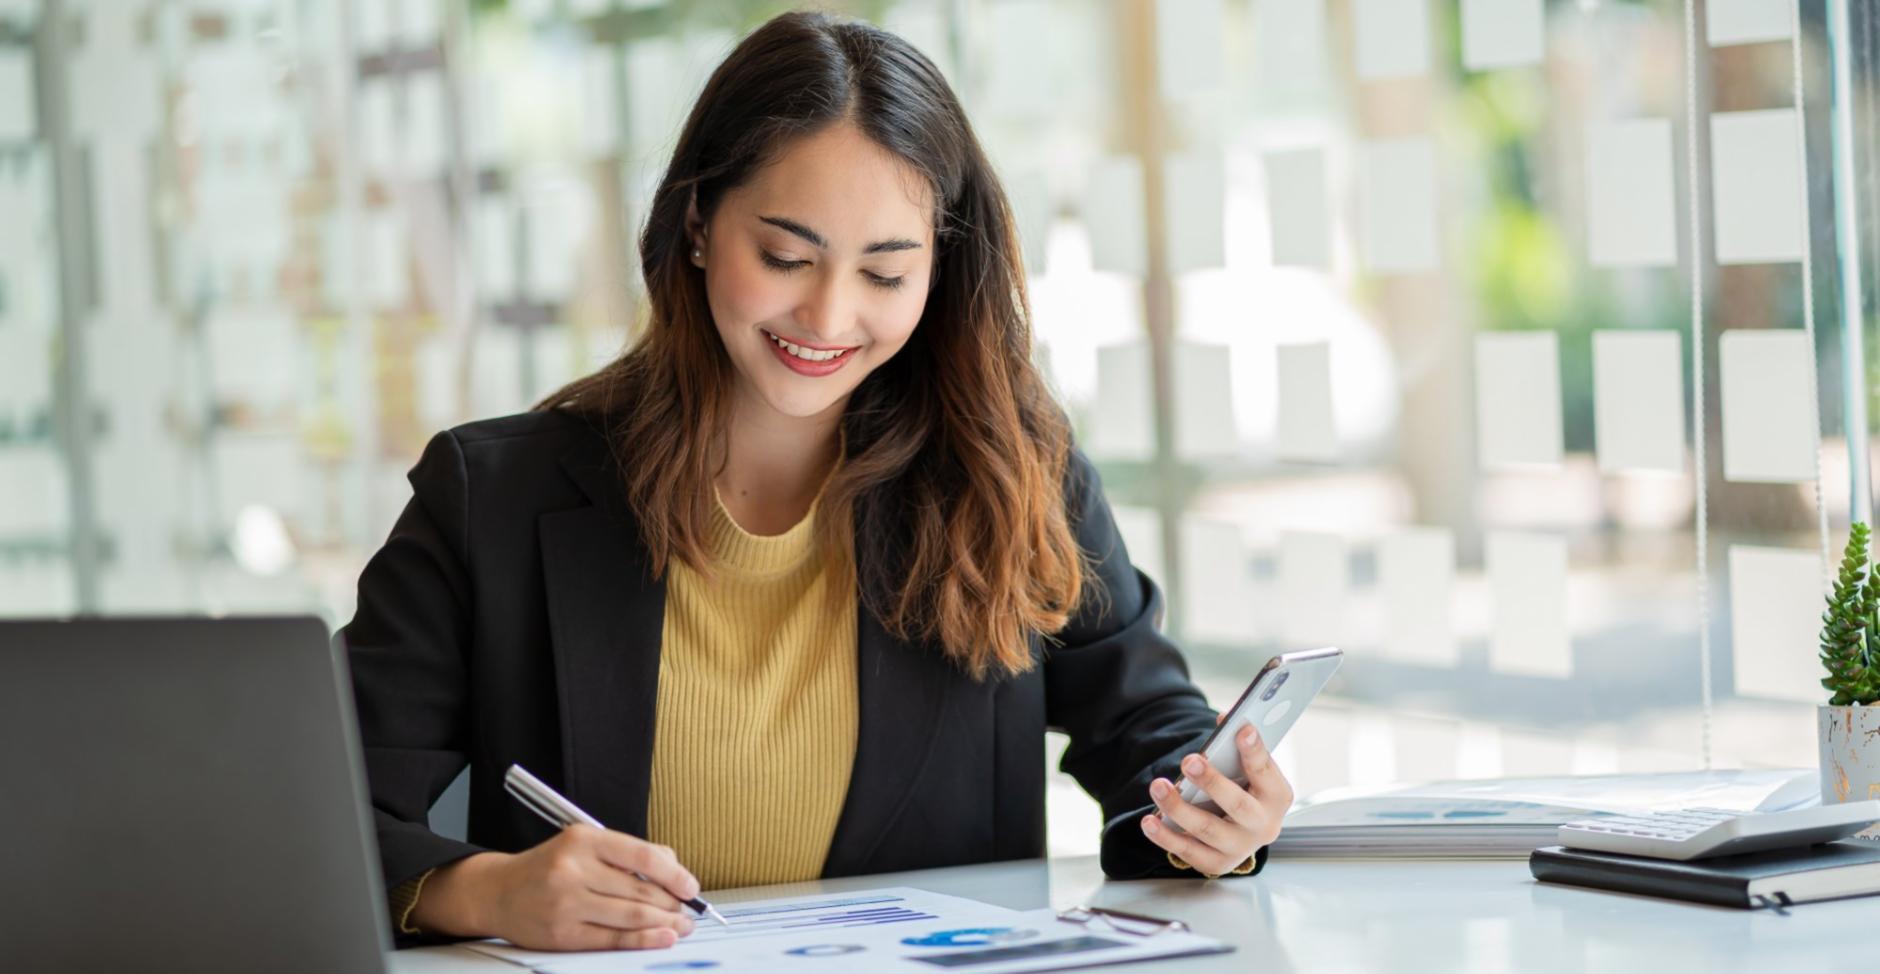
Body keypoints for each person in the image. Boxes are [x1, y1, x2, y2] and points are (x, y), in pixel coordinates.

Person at [341, 9, 1293, 953]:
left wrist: (1214, 816)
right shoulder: (492, 499)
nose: (829, 315)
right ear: (699, 224)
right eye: (787, 257)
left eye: (885, 274)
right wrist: (487, 892)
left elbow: (1148, 732)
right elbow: (313, 803)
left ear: (939, 271)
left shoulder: (1013, 472)